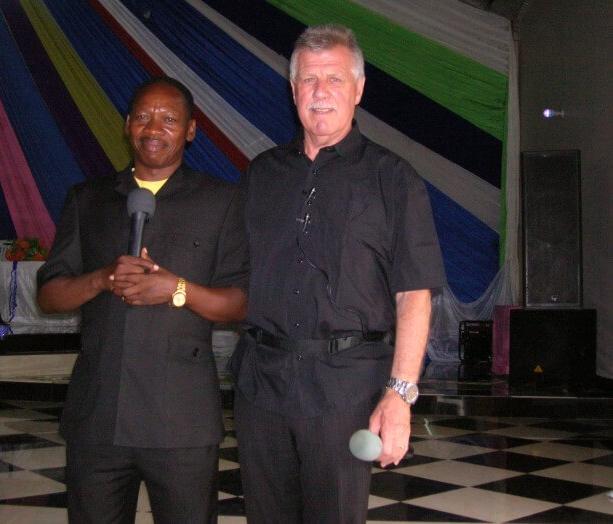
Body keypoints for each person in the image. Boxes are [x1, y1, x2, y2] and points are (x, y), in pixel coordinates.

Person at [229, 24, 446, 523]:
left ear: (358, 89)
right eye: (309, 79)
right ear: (293, 90)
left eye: (334, 78)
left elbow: (414, 294)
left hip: (346, 392)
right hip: (261, 387)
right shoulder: (261, 174)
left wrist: (400, 395)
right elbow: (229, 268)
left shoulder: (393, 178)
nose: (320, 91)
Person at [37, 77, 249, 524]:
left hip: (182, 422)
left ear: (190, 130)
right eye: (143, 117)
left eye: (169, 119)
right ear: (127, 125)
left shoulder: (223, 201)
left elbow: (241, 303)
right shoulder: (88, 199)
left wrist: (176, 289)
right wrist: (101, 279)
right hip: (98, 417)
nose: (154, 128)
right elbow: (50, 295)